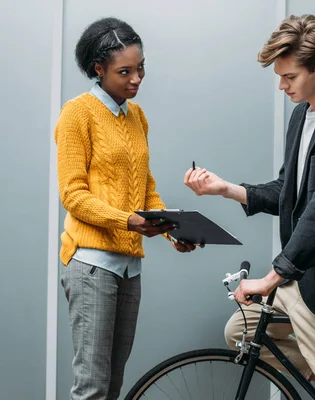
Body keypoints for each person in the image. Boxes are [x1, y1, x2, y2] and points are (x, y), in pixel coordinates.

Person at [185, 14, 315, 399]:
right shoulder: (303, 115)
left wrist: (270, 278)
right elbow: (290, 191)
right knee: (241, 332)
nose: (281, 86)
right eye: (279, 76)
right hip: (306, 276)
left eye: (289, 77)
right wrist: (224, 189)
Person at [55, 17, 195, 400]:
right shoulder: (77, 114)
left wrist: (172, 230)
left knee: (113, 386)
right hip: (91, 266)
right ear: (98, 70)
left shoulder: (137, 117)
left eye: (141, 67)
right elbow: (73, 195)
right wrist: (127, 222)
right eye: (125, 71)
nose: (137, 79)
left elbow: (144, 187)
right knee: (93, 387)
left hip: (129, 267)